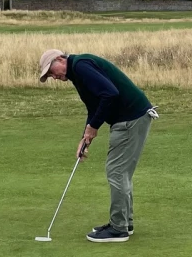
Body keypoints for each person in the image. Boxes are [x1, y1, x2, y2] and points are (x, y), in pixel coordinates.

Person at [38, 48, 156, 243]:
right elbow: (94, 106)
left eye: (52, 71)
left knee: (116, 171)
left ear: (60, 59)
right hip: (132, 117)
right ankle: (124, 222)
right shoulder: (77, 72)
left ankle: (119, 229)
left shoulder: (81, 66)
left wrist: (94, 127)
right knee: (121, 172)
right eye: (50, 76)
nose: (54, 77)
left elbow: (110, 94)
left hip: (130, 119)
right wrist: (86, 137)